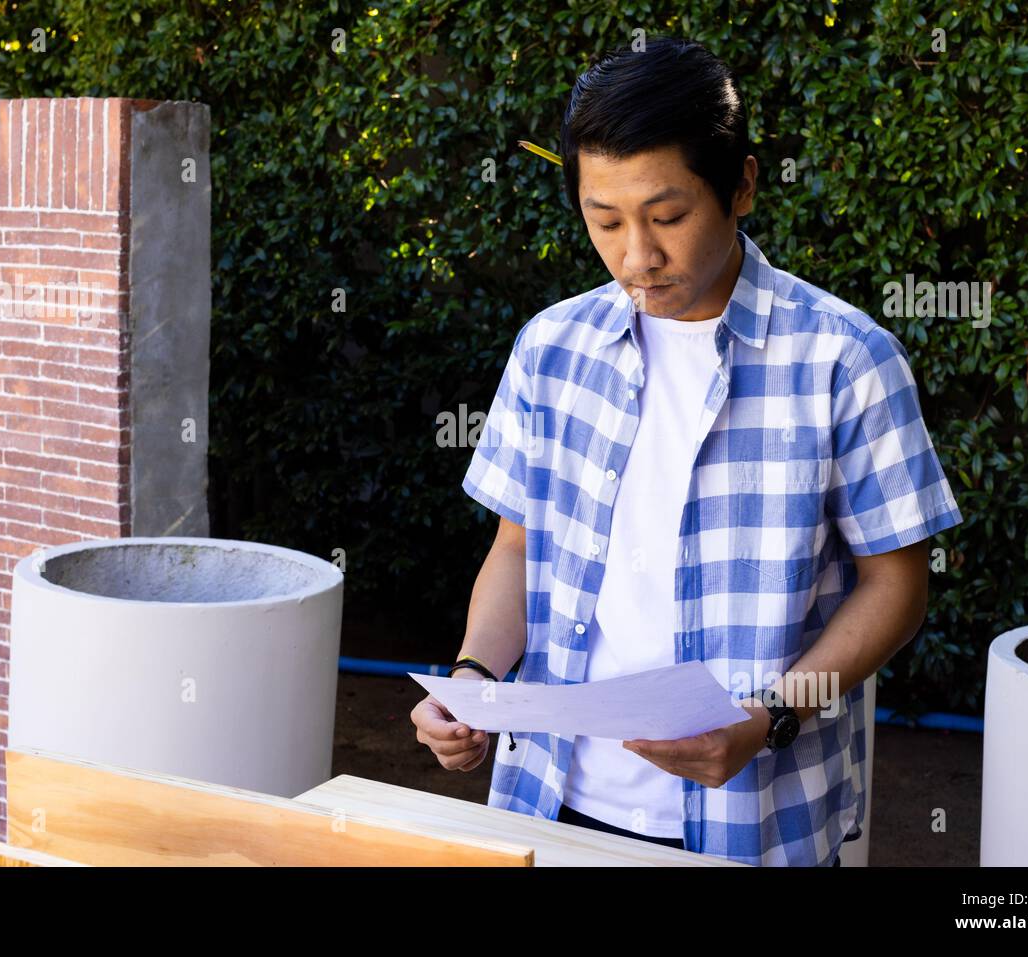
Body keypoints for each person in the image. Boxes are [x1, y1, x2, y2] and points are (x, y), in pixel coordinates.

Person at [411, 35, 962, 867]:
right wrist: (475, 677)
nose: (638, 255)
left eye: (668, 217)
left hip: (752, 819)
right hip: (550, 802)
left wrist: (771, 715)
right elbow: (518, 548)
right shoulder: (551, 346)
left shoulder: (846, 360)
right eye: (606, 220)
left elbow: (899, 587)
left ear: (740, 185)